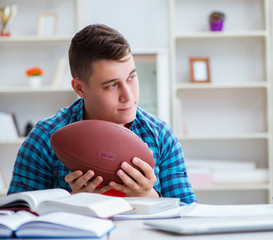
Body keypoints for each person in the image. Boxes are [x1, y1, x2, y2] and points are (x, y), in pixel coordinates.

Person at [8, 24, 196, 205]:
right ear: (80, 88)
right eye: (112, 85)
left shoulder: (161, 135)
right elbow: (16, 218)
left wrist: (149, 196)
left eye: (131, 77)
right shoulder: (44, 138)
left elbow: (189, 215)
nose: (128, 96)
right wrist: (71, 202)